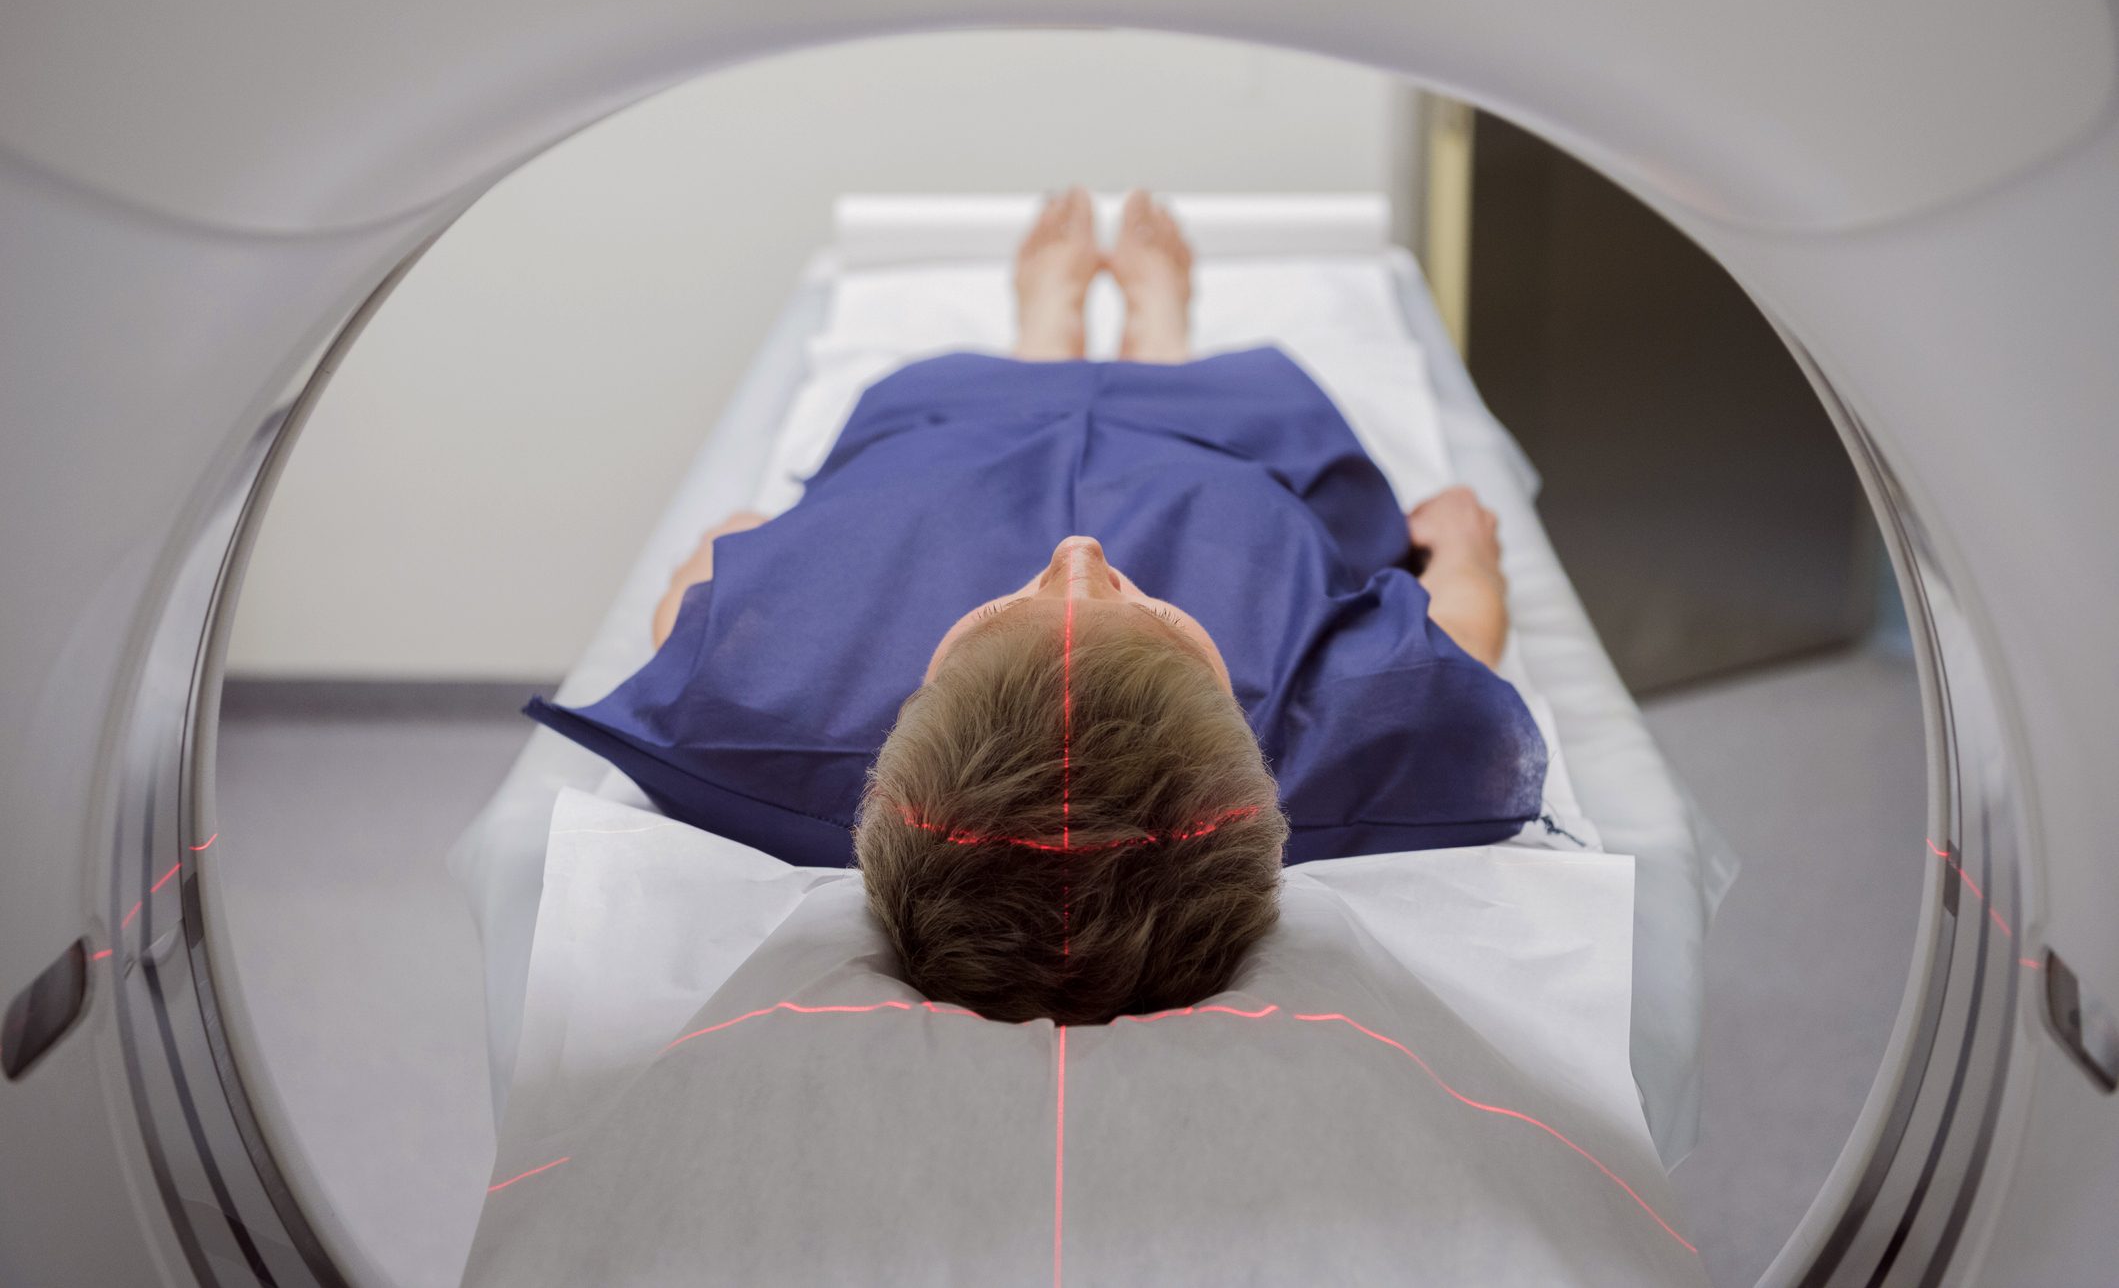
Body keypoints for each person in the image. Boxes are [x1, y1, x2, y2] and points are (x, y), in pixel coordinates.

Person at [527, 188, 1544, 1026]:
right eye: (1143, 611)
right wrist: (1463, 551)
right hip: (1221, 466)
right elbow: (1458, 645)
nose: (1076, 554)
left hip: (952, 450)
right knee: (1254, 443)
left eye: (1002, 612)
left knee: (938, 418)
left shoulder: (758, 713)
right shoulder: (1327, 749)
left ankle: (1042, 329)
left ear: (921, 696)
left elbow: (686, 605)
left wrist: (729, 537)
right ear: (1228, 728)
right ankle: (1158, 333)